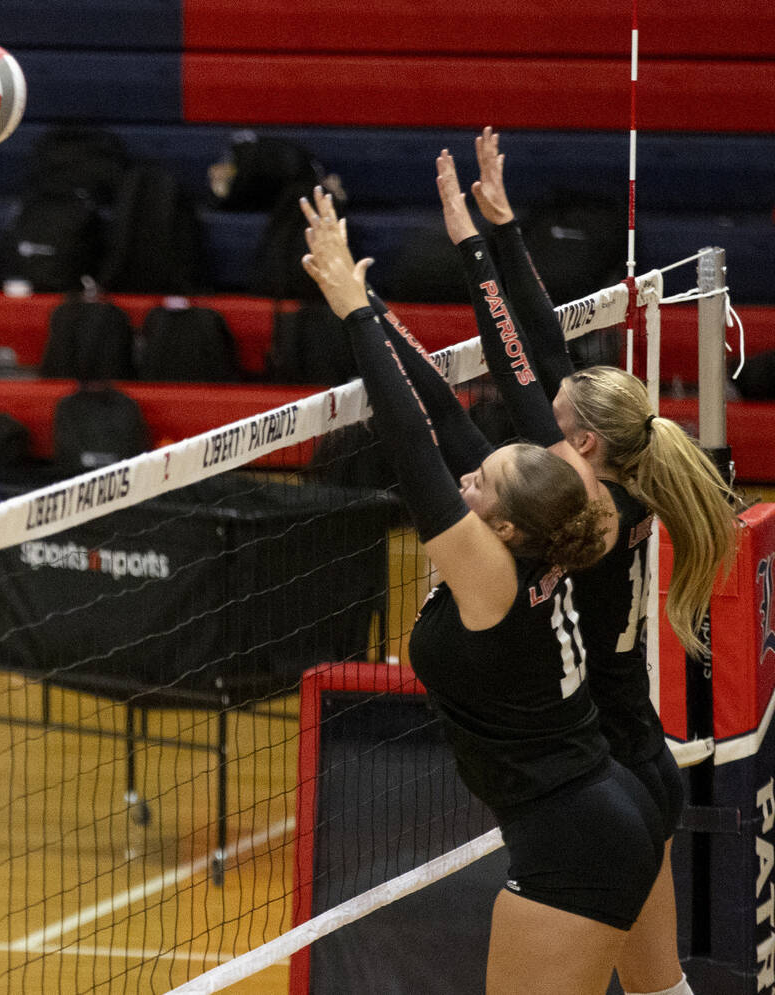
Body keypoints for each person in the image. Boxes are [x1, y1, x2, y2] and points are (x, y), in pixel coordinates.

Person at [300, 185, 666, 994]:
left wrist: (357, 317)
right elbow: (439, 414)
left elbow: (409, 445)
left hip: (576, 836)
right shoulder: (540, 534)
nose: (468, 478)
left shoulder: (492, 577)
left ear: (502, 527)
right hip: (605, 803)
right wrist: (363, 299)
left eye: (480, 486)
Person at [431, 128, 737, 995]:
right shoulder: (619, 478)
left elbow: (514, 355)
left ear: (582, 441)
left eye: (556, 418)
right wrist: (503, 225)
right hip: (642, 760)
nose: (545, 408)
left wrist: (469, 243)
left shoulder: (581, 507)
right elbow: (545, 355)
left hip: (601, 776)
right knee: (659, 989)